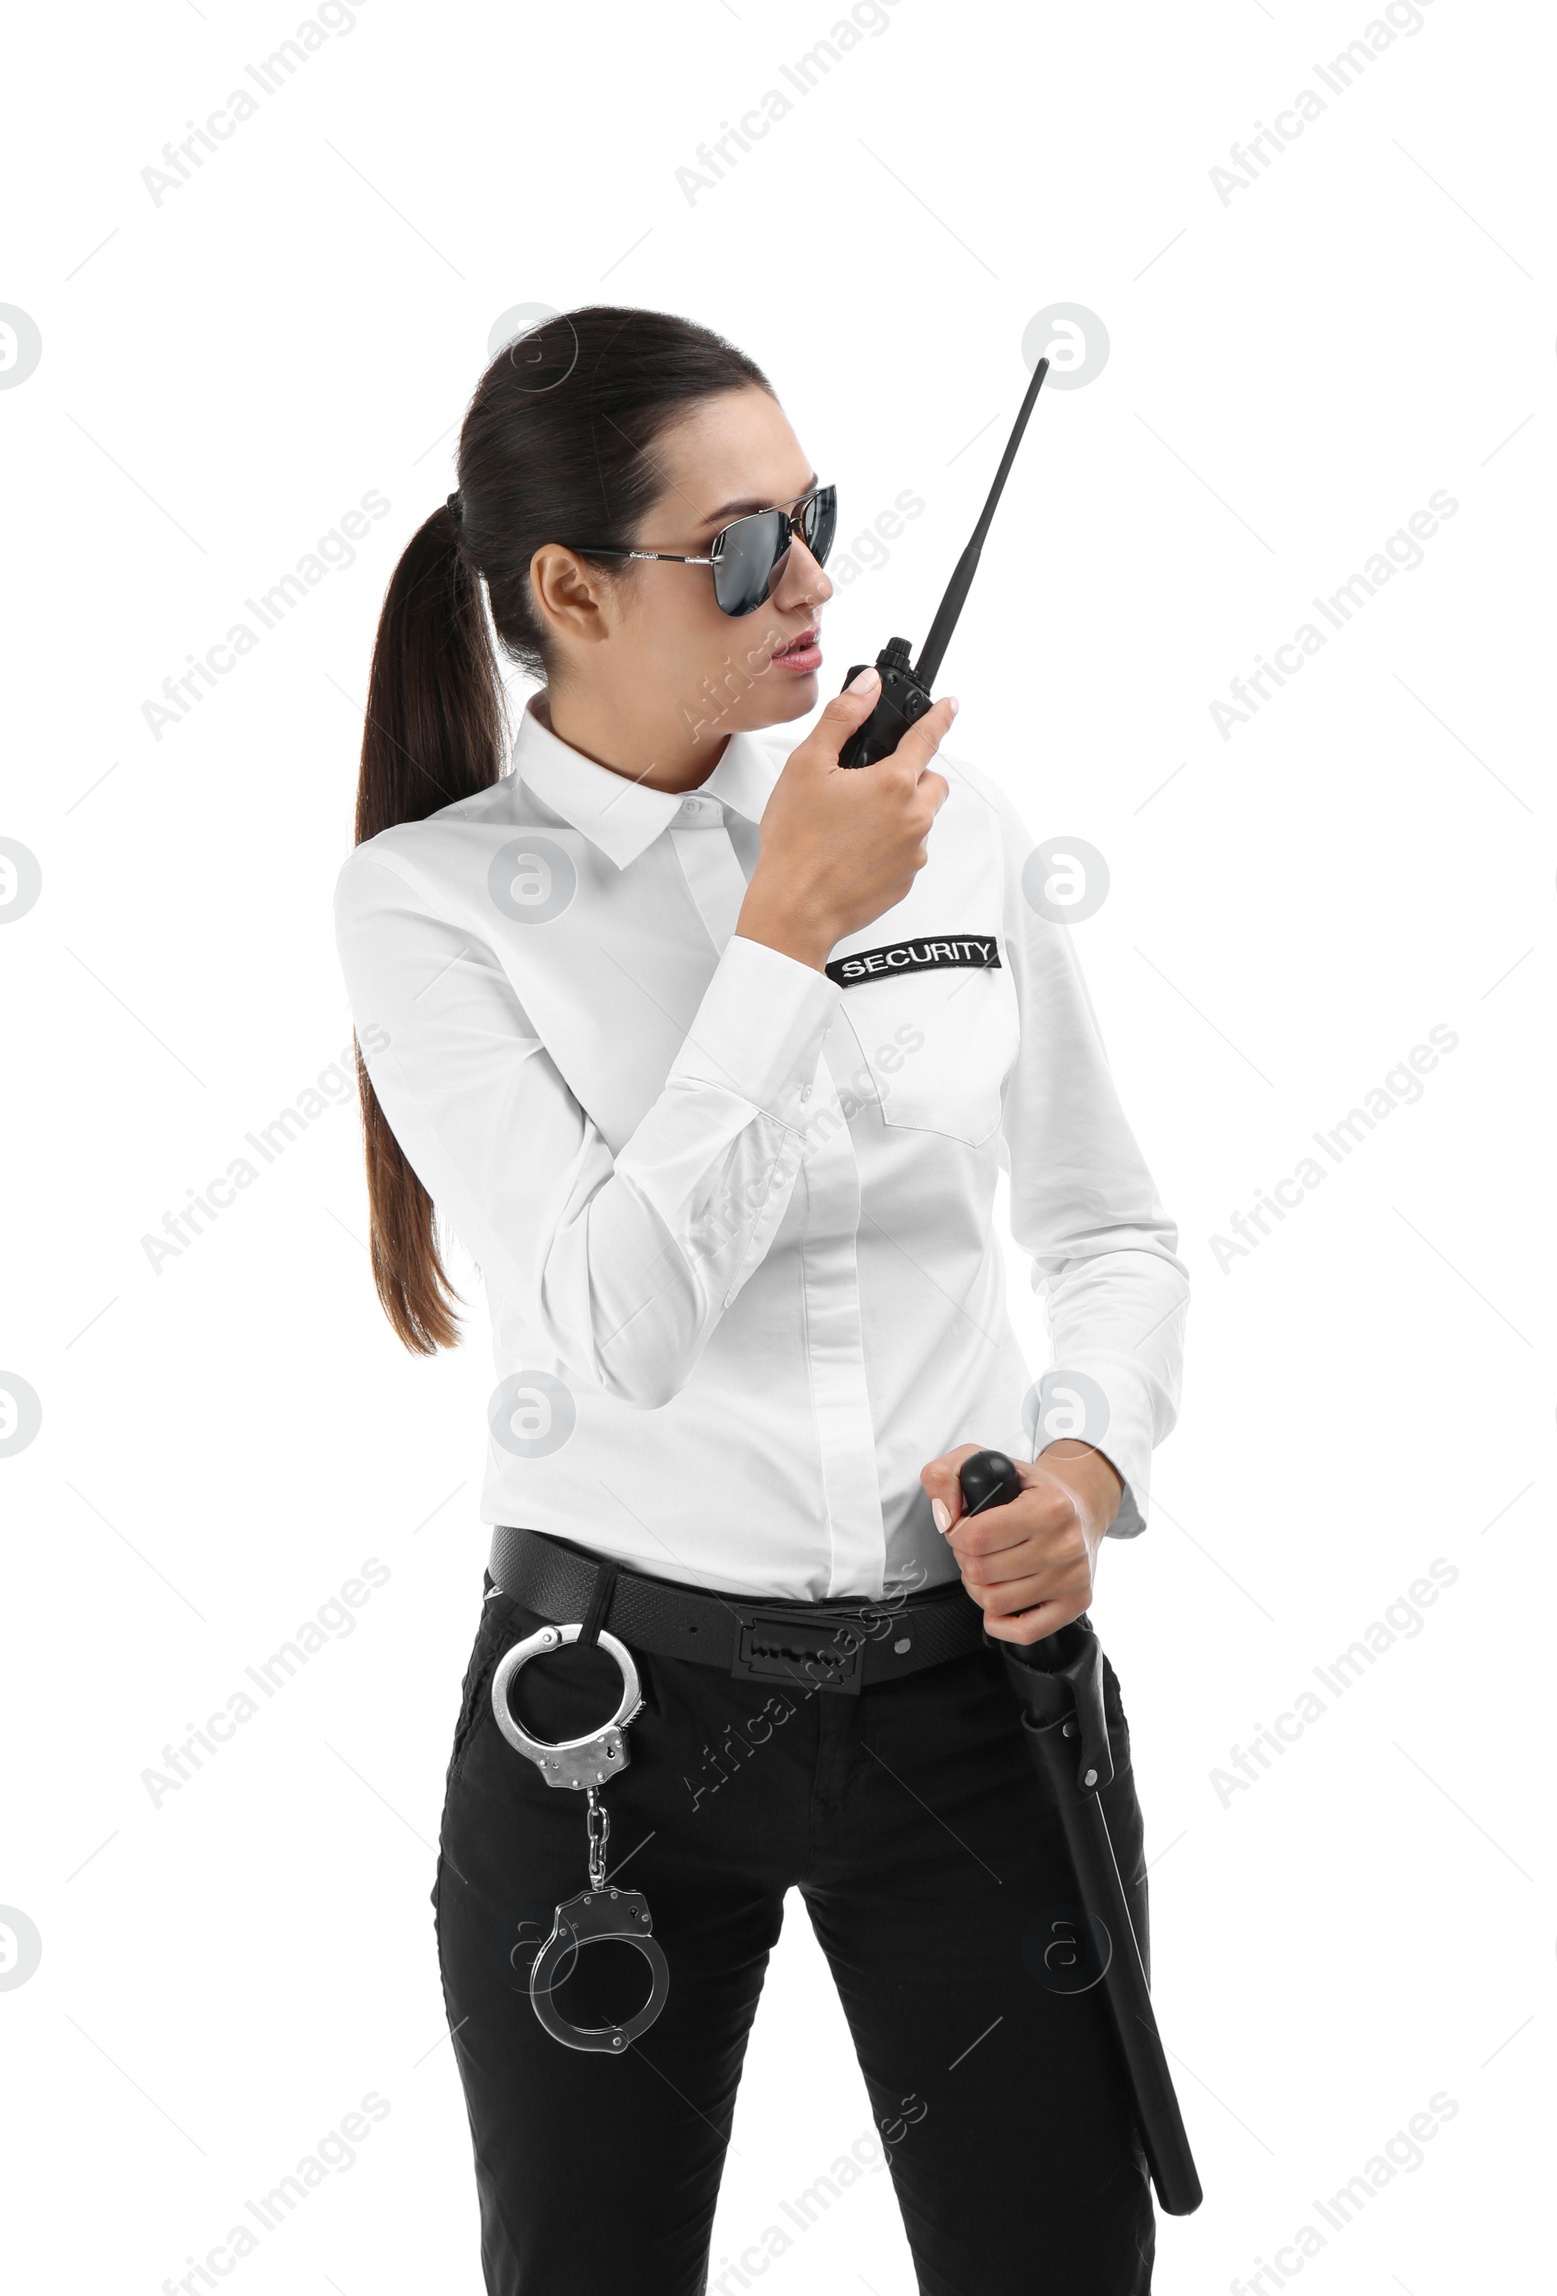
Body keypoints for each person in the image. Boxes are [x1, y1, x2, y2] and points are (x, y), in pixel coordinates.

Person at [333, 303, 1189, 2296]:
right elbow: (615, 1327)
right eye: (735, 547)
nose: (808, 581)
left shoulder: (950, 825)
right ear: (568, 587)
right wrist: (784, 928)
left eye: (810, 516)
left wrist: (1080, 1463)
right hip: (605, 1732)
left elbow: (1104, 1223)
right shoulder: (433, 903)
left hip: (975, 1710)